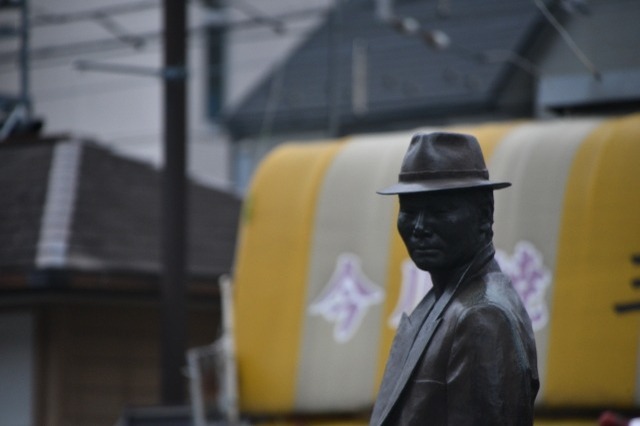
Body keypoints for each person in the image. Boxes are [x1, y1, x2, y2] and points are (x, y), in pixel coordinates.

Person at [370, 132, 539, 426]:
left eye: (440, 211)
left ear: (484, 215)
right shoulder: (447, 301)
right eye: (409, 211)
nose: (419, 227)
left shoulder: (482, 316)